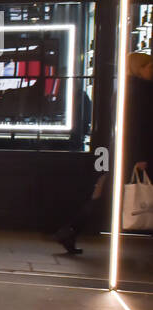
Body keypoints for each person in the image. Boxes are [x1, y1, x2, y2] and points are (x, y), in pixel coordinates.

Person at [55, 52, 153, 254]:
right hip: (136, 153)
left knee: (105, 195)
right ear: (139, 68)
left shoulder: (124, 88)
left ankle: (70, 230)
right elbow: (140, 125)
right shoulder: (142, 90)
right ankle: (70, 230)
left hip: (122, 150)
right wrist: (141, 156)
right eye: (148, 66)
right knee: (112, 196)